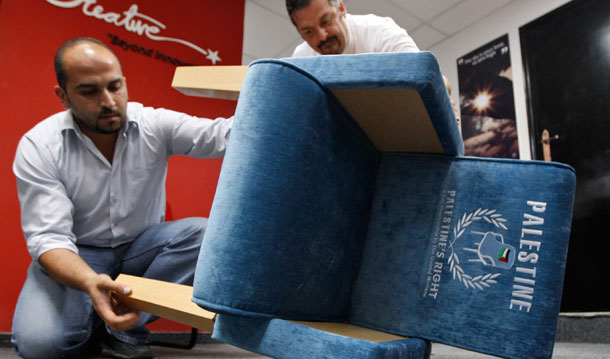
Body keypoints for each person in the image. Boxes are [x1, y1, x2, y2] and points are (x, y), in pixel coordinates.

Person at [11, 37, 232, 359]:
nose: (108, 101)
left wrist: (289, 102)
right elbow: (49, 239)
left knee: (205, 232)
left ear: (124, 83)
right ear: (63, 96)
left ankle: (122, 330)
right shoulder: (40, 146)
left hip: (139, 249)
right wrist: (90, 282)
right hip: (78, 255)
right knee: (41, 347)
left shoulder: (154, 124)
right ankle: (94, 322)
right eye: (90, 91)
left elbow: (222, 135)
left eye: (115, 86)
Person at [287, 0, 461, 124]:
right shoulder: (302, 60)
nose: (322, 36)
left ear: (341, 8)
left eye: (326, 21)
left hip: (396, 121)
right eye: (309, 32)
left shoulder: (381, 31)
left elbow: (431, 81)